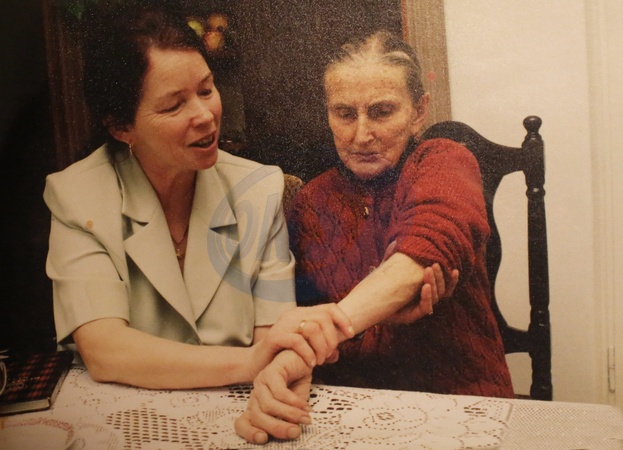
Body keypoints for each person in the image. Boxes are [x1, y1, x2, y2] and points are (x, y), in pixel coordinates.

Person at [42, 1, 358, 390]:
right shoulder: (77, 196)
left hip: (239, 404)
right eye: (174, 105)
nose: (206, 115)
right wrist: (251, 363)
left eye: (206, 90)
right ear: (122, 127)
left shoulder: (258, 189)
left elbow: (275, 340)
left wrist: (275, 390)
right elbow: (105, 351)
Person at [236, 30, 514, 444]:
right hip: (345, 412)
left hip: (460, 405)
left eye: (382, 112)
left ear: (419, 112)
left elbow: (423, 251)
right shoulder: (311, 201)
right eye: (344, 114)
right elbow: (302, 319)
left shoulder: (445, 160)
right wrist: (290, 365)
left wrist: (328, 332)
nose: (361, 134)